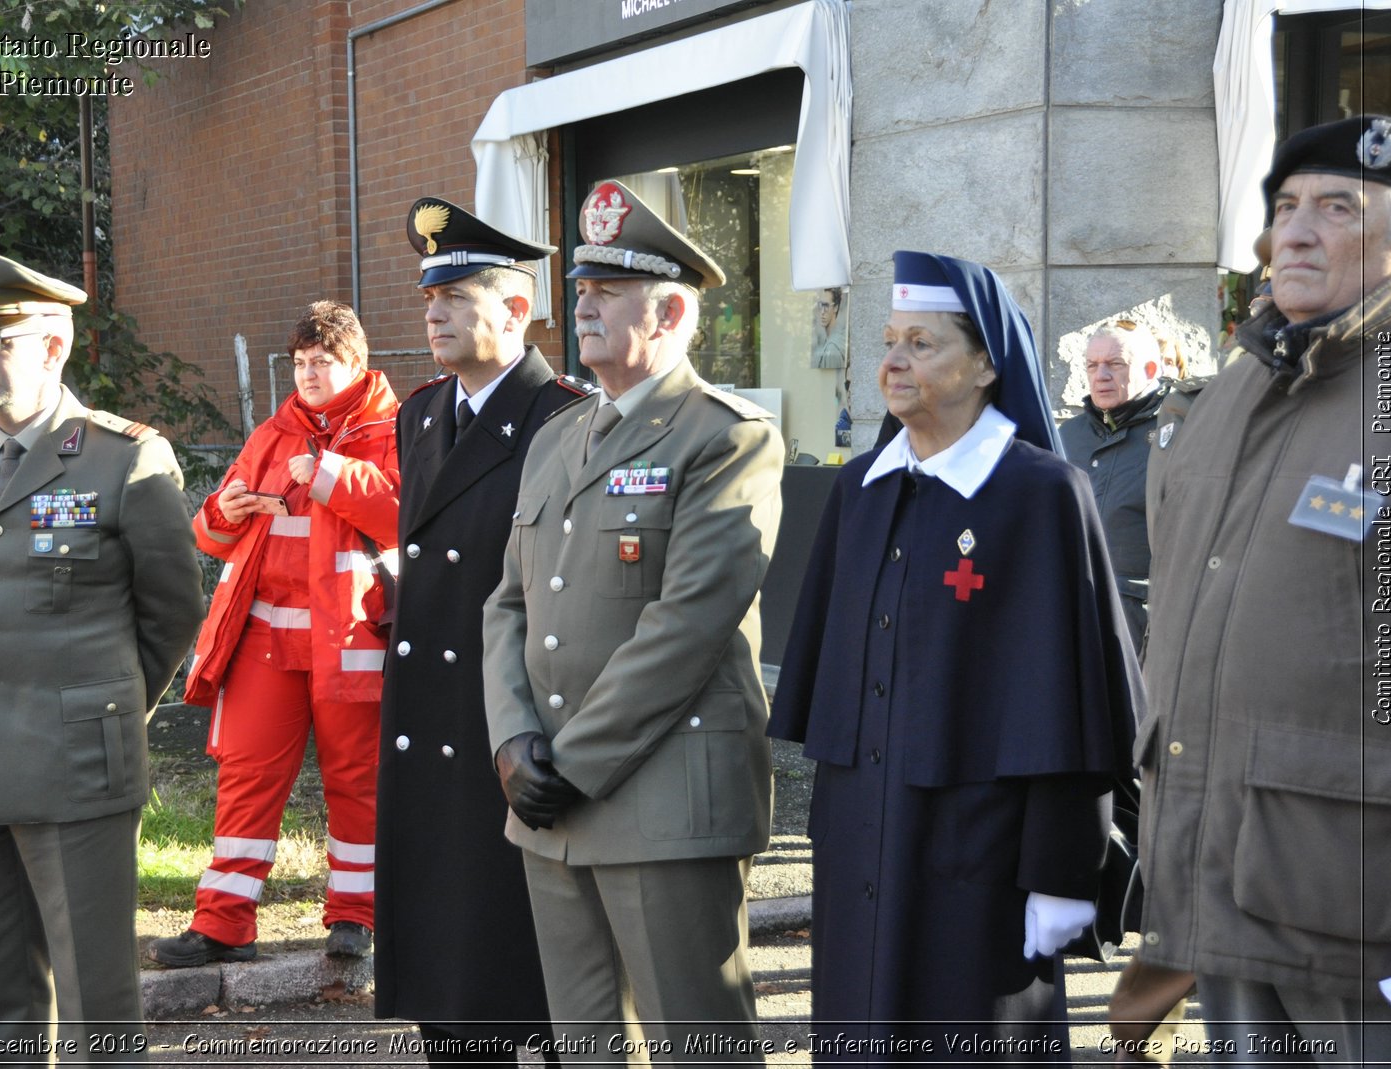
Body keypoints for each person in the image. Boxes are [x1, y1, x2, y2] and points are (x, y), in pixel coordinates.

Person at [768, 250, 1142, 1060]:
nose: (894, 361)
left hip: (979, 862)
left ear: (984, 365)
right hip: (864, 841)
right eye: (889, 341)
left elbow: (1071, 699)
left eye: (922, 343)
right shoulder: (859, 488)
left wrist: (1062, 869)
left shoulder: (1042, 495)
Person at [481, 179, 783, 1062]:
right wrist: (511, 742)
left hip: (660, 797)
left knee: (700, 1046)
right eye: (582, 291)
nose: (583, 307)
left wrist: (566, 760)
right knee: (584, 1046)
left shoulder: (725, 436)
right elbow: (507, 603)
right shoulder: (557, 437)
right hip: (546, 801)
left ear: (672, 310)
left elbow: (686, 626)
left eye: (607, 293)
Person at [1136, 114, 1391, 1065]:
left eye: (1338, 207)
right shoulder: (1234, 389)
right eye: (1286, 206)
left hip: (1362, 901)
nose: (1293, 231)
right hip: (1219, 866)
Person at [0, 250, 203, 1062]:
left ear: (52, 345)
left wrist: (104, 702)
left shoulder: (122, 456)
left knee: (95, 1002)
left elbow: (172, 608)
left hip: (78, 759)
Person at [375, 199, 589, 1062]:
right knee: (440, 966)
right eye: (432, 296)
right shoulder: (420, 414)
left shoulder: (563, 419)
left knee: (507, 968)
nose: (435, 313)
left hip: (506, 714)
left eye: (459, 295)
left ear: (517, 308)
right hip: (427, 710)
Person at [149, 300, 398, 967]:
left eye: (323, 362)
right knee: (247, 775)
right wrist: (220, 512)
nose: (310, 375)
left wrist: (330, 476)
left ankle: (356, 917)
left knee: (357, 781)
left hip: (354, 640)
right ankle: (225, 923)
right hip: (266, 642)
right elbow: (212, 535)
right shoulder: (272, 433)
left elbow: (410, 517)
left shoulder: (393, 429)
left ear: (357, 362)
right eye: (300, 363)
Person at [1059, 320, 1171, 649]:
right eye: (1092, 365)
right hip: (1069, 606)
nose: (1101, 375)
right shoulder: (1068, 436)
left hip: (1141, 616)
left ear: (1150, 369)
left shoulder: (1177, 430)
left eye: (1115, 364)